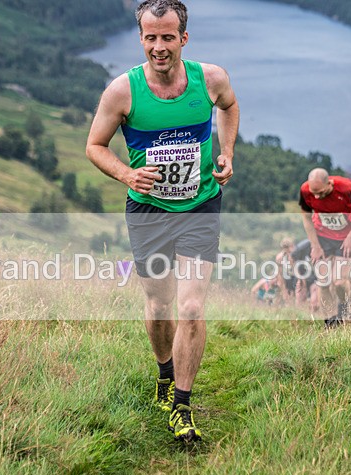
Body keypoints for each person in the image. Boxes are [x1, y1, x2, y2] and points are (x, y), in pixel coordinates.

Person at [85, 0, 239, 442]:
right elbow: (95, 146)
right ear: (141, 39)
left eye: (167, 37)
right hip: (149, 212)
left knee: (190, 307)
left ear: (183, 38)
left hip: (199, 206)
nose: (159, 47)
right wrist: (127, 174)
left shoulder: (210, 79)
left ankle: (182, 407)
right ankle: (165, 372)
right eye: (150, 38)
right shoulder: (122, 92)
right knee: (158, 306)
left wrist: (227, 152)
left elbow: (229, 107)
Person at [298, 168, 351, 327]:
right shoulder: (305, 190)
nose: (317, 197)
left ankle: (343, 308)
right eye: (314, 193)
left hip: (344, 239)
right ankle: (331, 323)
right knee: (323, 282)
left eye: (321, 193)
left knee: (339, 282)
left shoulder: (347, 188)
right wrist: (315, 246)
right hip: (322, 237)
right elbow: (306, 218)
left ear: (329, 184)